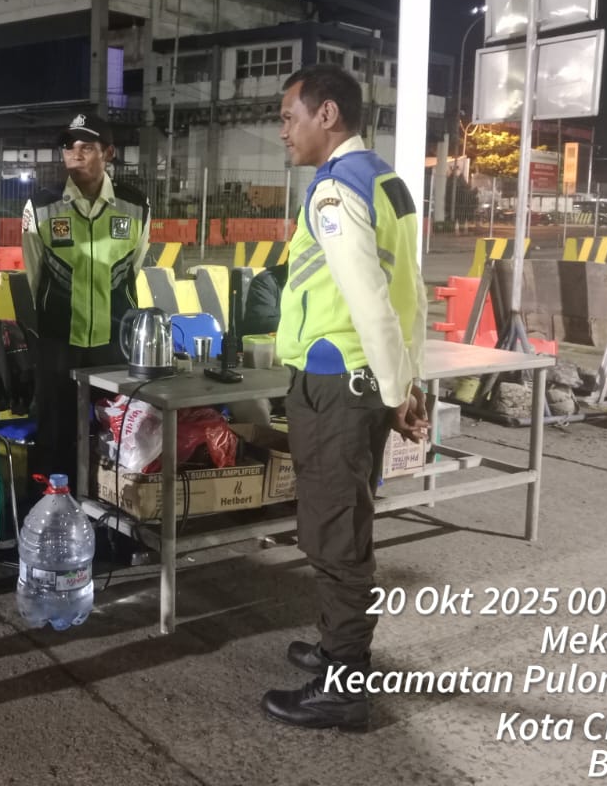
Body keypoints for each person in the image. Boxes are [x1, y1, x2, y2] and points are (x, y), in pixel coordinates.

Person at [259, 64, 428, 732]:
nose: (283, 131)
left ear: (326, 114)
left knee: (334, 536)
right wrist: (404, 385)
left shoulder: (334, 191)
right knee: (344, 523)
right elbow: (411, 293)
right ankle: (339, 647)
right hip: (364, 383)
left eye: (288, 117)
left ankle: (343, 683)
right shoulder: (385, 180)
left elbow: (368, 298)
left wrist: (397, 389)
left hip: (336, 387)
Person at [22, 113, 150, 482]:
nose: (75, 153)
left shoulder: (136, 205)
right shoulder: (41, 205)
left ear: (108, 153)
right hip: (59, 343)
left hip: (115, 344)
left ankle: (108, 505)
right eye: (68, 146)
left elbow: (134, 266)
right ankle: (53, 508)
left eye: (87, 146)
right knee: (55, 434)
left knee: (114, 433)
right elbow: (34, 275)